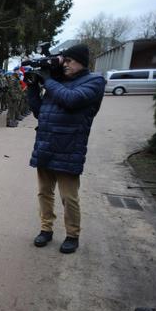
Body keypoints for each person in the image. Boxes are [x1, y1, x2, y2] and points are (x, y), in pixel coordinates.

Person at [27, 43, 105, 254]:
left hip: (69, 148)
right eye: (65, 61)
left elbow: (72, 100)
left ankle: (72, 234)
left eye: (69, 61)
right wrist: (33, 87)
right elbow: (39, 112)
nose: (66, 65)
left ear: (81, 61)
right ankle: (46, 229)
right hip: (46, 144)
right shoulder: (58, 83)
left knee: (68, 197)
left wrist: (49, 80)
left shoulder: (94, 82)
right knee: (44, 193)